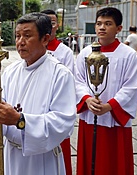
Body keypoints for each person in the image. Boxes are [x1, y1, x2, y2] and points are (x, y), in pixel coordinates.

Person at [0, 13, 76, 175]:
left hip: (41, 159)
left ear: (45, 39)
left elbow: (62, 122)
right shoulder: (10, 71)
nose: (20, 42)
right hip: (11, 154)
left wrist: (20, 120)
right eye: (17, 36)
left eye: (27, 36)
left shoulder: (60, 74)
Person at [75, 7, 137, 175]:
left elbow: (130, 86)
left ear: (119, 28)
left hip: (114, 118)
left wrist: (110, 106)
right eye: (99, 24)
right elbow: (78, 80)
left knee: (114, 161)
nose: (102, 27)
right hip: (90, 115)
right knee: (90, 160)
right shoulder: (85, 53)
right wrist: (88, 99)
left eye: (108, 24)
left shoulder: (128, 55)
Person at [41, 9, 74, 175]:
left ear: (57, 25)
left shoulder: (65, 52)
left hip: (55, 110)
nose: (49, 26)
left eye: (52, 23)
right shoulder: (34, 48)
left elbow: (69, 85)